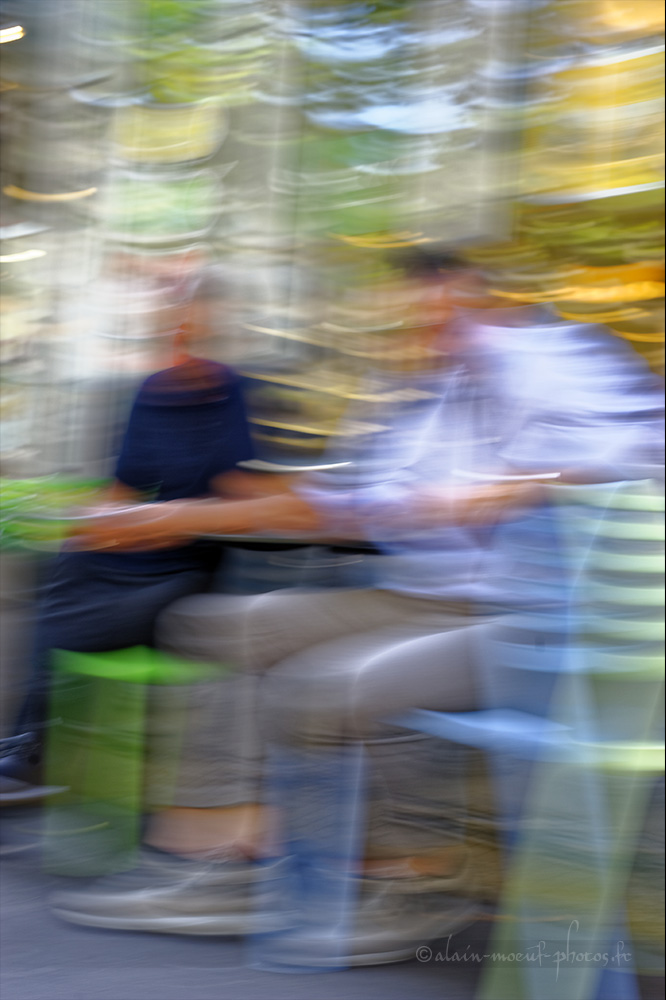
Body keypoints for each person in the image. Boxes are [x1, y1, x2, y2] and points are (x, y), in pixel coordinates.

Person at [49, 250, 664, 963]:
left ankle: (419, 876)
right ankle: (222, 861)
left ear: (473, 296)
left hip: (539, 622)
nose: (417, 327)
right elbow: (356, 505)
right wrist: (173, 516)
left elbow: (635, 451)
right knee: (215, 625)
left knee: (330, 682)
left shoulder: (558, 358)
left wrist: (515, 486)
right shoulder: (432, 395)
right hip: (424, 598)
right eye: (406, 315)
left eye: (432, 308)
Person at [0, 271, 260, 803]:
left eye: (194, 323)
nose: (182, 333)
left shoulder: (239, 394)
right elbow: (125, 486)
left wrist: (166, 521)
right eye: (178, 323)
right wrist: (87, 519)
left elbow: (247, 497)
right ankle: (35, 740)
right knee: (68, 564)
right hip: (142, 545)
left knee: (105, 608)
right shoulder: (154, 392)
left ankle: (51, 747)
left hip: (193, 557)